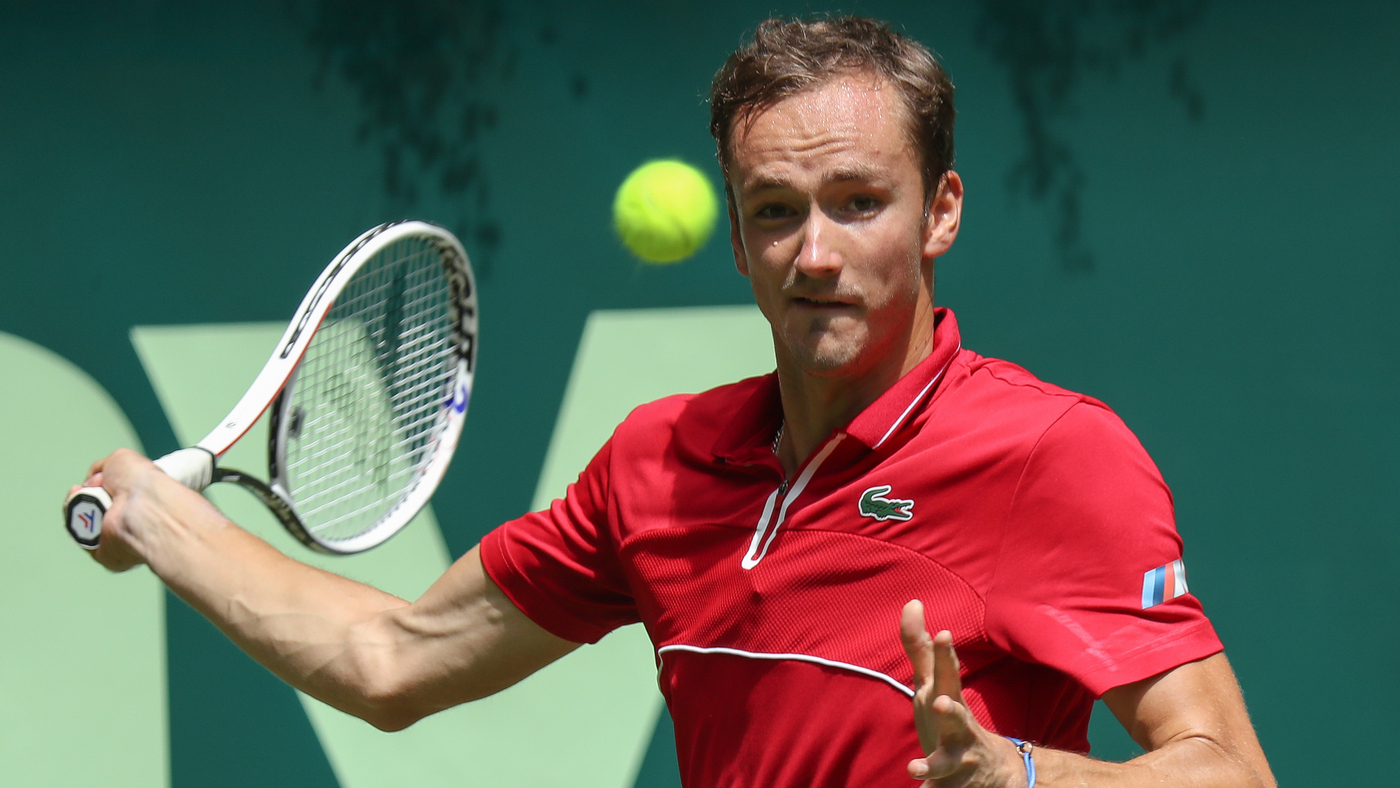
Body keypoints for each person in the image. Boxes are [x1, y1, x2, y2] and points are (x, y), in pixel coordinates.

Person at [78, 16, 1274, 788]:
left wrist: (1023, 773)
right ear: (737, 242)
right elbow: (391, 657)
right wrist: (161, 520)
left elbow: (1228, 769)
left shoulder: (1049, 453)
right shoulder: (656, 461)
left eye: (858, 202)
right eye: (774, 212)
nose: (814, 253)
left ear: (940, 212)